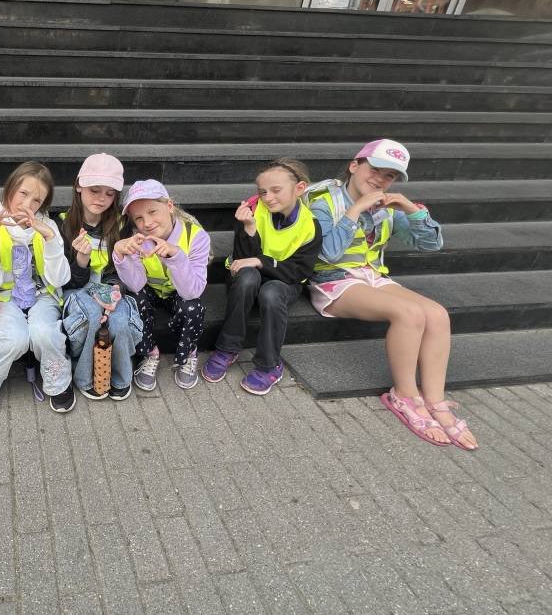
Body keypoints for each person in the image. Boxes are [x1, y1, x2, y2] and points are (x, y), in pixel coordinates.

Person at [307, 139, 477, 450]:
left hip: (372, 277)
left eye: (390, 176)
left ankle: (435, 400)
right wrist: (356, 209)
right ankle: (405, 396)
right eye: (375, 170)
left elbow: (430, 245)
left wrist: (412, 211)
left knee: (437, 314)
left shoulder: (385, 207)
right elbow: (328, 254)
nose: (380, 180)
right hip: (332, 281)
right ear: (354, 165)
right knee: (409, 314)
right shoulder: (324, 201)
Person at [202, 159, 322, 395]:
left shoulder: (310, 226)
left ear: (299, 188)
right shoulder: (253, 211)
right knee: (247, 278)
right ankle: (228, 348)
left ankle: (270, 364)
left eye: (276, 190)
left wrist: (261, 261)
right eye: (263, 192)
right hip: (248, 279)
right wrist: (248, 228)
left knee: (272, 291)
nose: (268, 197)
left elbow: (300, 271)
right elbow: (240, 260)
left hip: (283, 283)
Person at [0, 161, 73, 413]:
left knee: (44, 333)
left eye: (36, 200)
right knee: (14, 338)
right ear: (9, 189)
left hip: (44, 295)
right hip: (7, 296)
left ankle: (58, 382)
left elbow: (60, 279)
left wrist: (49, 239)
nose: (27, 204)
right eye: (23, 193)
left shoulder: (48, 227)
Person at [113, 180, 211, 390]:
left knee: (193, 307)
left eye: (152, 211)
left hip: (182, 291)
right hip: (151, 290)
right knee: (134, 300)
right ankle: (150, 352)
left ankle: (188, 352)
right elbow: (136, 284)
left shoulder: (196, 236)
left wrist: (176, 256)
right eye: (139, 218)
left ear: (169, 206)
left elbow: (192, 291)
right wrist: (121, 256)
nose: (147, 223)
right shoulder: (136, 239)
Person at [60, 153, 142, 401]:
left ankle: (121, 378)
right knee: (93, 315)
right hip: (77, 290)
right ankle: (85, 378)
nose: (101, 198)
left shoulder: (121, 224)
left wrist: (114, 291)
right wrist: (81, 260)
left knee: (118, 321)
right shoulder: (63, 224)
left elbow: (121, 272)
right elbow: (66, 281)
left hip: (110, 288)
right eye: (94, 190)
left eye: (109, 193)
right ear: (78, 186)